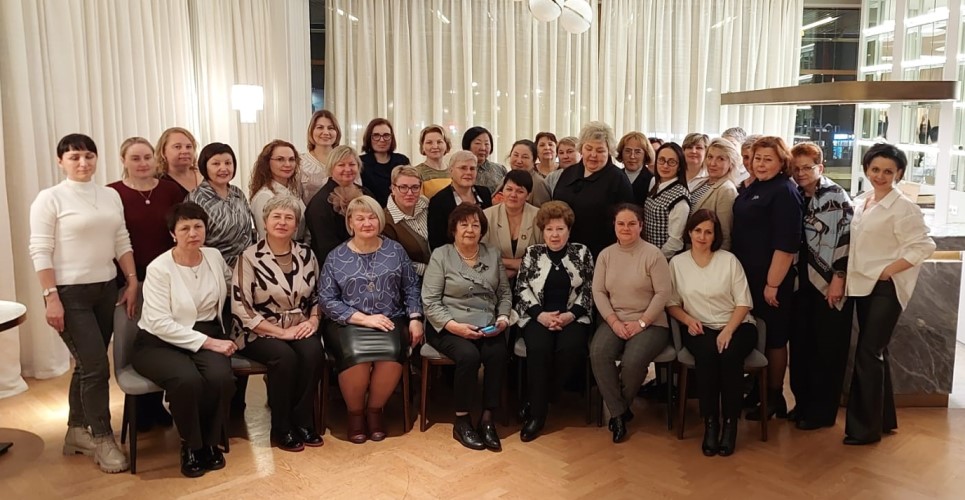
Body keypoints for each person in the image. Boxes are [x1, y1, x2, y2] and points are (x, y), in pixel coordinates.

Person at [29, 133, 136, 473]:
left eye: (89, 155)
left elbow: (121, 239)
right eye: (74, 156)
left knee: (86, 365)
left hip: (106, 289)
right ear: (60, 161)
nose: (83, 162)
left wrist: (132, 279)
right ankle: (102, 439)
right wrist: (51, 297)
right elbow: (40, 250)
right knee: (96, 367)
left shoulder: (109, 196)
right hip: (69, 293)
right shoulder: (50, 198)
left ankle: (76, 431)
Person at [133, 202, 237, 478]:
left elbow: (233, 286)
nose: (193, 233)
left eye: (198, 226)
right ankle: (191, 446)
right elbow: (158, 322)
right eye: (185, 228)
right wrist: (210, 343)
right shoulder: (159, 268)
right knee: (187, 380)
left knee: (221, 378)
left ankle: (211, 443)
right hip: (158, 341)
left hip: (206, 331)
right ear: (173, 234)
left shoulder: (214, 256)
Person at [844, 143, 935, 445]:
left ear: (899, 173)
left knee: (868, 353)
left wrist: (887, 271)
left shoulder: (904, 207)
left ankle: (864, 430)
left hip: (886, 287)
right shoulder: (864, 200)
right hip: (863, 285)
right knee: (876, 352)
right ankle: (883, 420)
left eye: (887, 171)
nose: (880, 176)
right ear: (866, 169)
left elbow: (924, 246)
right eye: (875, 169)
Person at [320, 196, 424, 443]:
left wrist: (415, 318)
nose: (367, 223)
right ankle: (355, 415)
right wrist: (363, 320)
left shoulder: (395, 250)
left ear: (380, 221)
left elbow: (411, 287)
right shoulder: (336, 256)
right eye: (360, 218)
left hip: (390, 319)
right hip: (347, 322)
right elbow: (326, 299)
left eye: (372, 217)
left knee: (391, 354)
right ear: (350, 223)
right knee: (355, 356)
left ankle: (375, 411)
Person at [231, 195, 324, 452]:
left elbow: (318, 295)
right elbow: (241, 307)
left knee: (314, 352)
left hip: (299, 324)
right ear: (265, 221)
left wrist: (313, 320)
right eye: (276, 217)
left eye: (289, 218)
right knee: (284, 358)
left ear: (296, 225)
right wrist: (280, 333)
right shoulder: (249, 257)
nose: (282, 222)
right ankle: (281, 427)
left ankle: (303, 421)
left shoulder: (306, 254)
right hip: (257, 329)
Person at [108, 137, 184, 432]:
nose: (142, 163)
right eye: (135, 158)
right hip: (130, 279)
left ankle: (158, 404)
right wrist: (131, 280)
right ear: (123, 160)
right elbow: (115, 239)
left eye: (147, 157)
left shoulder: (169, 190)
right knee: (134, 336)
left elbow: (179, 230)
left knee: (163, 337)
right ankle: (139, 409)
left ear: (155, 159)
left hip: (166, 277)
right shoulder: (113, 193)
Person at [668, 210, 757, 457]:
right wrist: (687, 320)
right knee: (706, 356)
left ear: (715, 235)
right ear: (689, 232)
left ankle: (730, 424)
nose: (702, 236)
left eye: (708, 232)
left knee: (729, 355)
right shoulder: (677, 263)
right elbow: (671, 304)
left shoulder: (729, 260)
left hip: (737, 324)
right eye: (698, 230)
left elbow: (744, 303)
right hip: (699, 326)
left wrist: (728, 331)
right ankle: (710, 423)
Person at [422, 204, 511, 451]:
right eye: (464, 224)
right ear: (454, 229)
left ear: (482, 230)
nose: (470, 230)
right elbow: (430, 301)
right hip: (447, 324)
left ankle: (487, 419)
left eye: (475, 225)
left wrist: (503, 318)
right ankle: (461, 421)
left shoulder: (492, 254)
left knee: (497, 353)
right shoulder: (441, 255)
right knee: (469, 355)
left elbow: (504, 293)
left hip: (486, 324)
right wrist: (455, 327)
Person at [731, 136, 803, 421]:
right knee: (758, 333)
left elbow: (786, 244)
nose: (760, 164)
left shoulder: (784, 191)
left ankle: (774, 397)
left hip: (771, 280)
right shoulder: (756, 186)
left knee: (774, 338)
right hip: (748, 276)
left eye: (768, 159)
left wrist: (772, 284)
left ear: (782, 162)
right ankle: (757, 391)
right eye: (757, 158)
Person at [590, 204, 672, 443]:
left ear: (641, 226)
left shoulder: (653, 255)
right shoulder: (606, 255)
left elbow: (663, 293)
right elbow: (598, 292)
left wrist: (642, 323)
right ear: (614, 226)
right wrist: (613, 321)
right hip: (615, 318)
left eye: (631, 223)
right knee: (598, 353)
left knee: (633, 362)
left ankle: (617, 411)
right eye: (621, 223)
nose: (626, 228)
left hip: (651, 322)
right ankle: (620, 413)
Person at [787, 142, 855, 430]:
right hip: (799, 282)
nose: (801, 173)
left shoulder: (836, 196)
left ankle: (822, 412)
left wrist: (838, 277)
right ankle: (802, 404)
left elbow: (847, 238)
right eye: (796, 168)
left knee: (827, 349)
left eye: (807, 168)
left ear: (820, 167)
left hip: (829, 282)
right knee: (801, 347)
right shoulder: (793, 194)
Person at [514, 201, 594, 442]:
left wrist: (571, 315)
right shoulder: (532, 253)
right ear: (542, 231)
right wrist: (541, 315)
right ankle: (537, 416)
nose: (555, 234)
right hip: (537, 316)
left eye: (560, 229)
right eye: (549, 229)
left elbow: (590, 289)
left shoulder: (582, 252)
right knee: (539, 349)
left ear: (569, 230)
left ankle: (540, 397)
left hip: (573, 316)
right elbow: (521, 288)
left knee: (570, 349)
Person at [553, 121, 635, 257]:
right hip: (563, 249)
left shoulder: (618, 179)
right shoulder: (568, 173)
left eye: (600, 150)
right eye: (589, 148)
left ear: (609, 152)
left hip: (601, 252)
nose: (593, 154)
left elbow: (626, 222)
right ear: (581, 149)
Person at [185, 143, 256, 268]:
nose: (223, 168)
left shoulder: (237, 193)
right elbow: (193, 240)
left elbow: (248, 232)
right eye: (216, 164)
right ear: (204, 167)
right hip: (215, 268)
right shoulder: (196, 199)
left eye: (228, 163)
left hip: (247, 265)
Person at [305, 145, 373, 264]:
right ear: (331, 168)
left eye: (352, 164)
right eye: (341, 165)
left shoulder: (366, 193)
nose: (348, 169)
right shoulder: (320, 203)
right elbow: (326, 247)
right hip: (338, 264)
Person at [483, 170, 543, 281]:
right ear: (502, 191)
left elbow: (544, 255)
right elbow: (481, 254)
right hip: (494, 277)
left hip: (532, 278)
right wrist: (517, 264)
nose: (513, 195)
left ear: (528, 195)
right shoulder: (486, 215)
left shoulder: (539, 217)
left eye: (520, 191)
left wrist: (517, 268)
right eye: (509, 189)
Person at [427, 150, 494, 250]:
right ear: (451, 171)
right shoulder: (438, 201)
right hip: (452, 255)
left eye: (472, 168)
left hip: (485, 252)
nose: (468, 172)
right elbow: (437, 242)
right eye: (463, 168)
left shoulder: (485, 193)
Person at [689, 138, 741, 250]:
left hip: (708, 252)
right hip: (692, 248)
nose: (712, 163)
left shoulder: (727, 190)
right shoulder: (702, 182)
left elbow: (725, 234)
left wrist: (718, 259)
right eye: (710, 157)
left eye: (720, 159)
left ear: (731, 163)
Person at [249, 140, 306, 239]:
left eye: (291, 159)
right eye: (280, 159)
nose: (287, 164)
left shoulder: (292, 191)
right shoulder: (265, 196)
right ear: (267, 163)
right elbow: (267, 238)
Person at [645, 143, 691, 259]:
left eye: (672, 162)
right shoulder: (654, 183)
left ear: (679, 166)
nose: (665, 166)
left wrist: (656, 259)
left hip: (665, 258)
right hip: (648, 252)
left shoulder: (680, 198)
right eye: (661, 160)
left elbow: (675, 241)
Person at [384, 166, 431, 276]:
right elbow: (394, 260)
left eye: (415, 187)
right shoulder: (385, 221)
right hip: (412, 278)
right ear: (393, 188)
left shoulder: (427, 205)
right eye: (403, 187)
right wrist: (430, 271)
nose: (409, 193)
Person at [359, 118, 411, 206]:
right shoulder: (360, 162)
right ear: (369, 138)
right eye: (376, 135)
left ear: (392, 138)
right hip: (371, 210)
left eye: (386, 135)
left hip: (400, 210)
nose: (382, 140)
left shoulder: (402, 160)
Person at [492, 139, 551, 207]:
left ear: (534, 160)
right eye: (516, 155)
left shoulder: (539, 184)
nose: (519, 161)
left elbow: (543, 211)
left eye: (525, 157)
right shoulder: (508, 177)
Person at [300, 110, 342, 204]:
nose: (326, 132)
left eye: (331, 128)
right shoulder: (300, 162)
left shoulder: (345, 160)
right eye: (320, 127)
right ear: (311, 131)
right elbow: (295, 197)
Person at [156, 127, 201, 196]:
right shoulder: (157, 182)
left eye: (188, 147)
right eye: (177, 147)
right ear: (163, 151)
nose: (185, 151)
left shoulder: (205, 175)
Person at [462, 126, 507, 193]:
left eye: (487, 144)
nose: (483, 148)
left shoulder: (500, 169)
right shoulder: (458, 169)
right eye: (478, 143)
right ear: (468, 145)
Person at [616, 131, 655, 207]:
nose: (632, 156)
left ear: (646, 155)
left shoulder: (652, 180)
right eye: (628, 151)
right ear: (621, 153)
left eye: (637, 152)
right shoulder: (614, 177)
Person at [414, 125, 453, 199]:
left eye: (439, 142)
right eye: (429, 142)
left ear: (446, 145)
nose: (435, 146)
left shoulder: (454, 171)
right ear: (422, 147)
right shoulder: (416, 173)